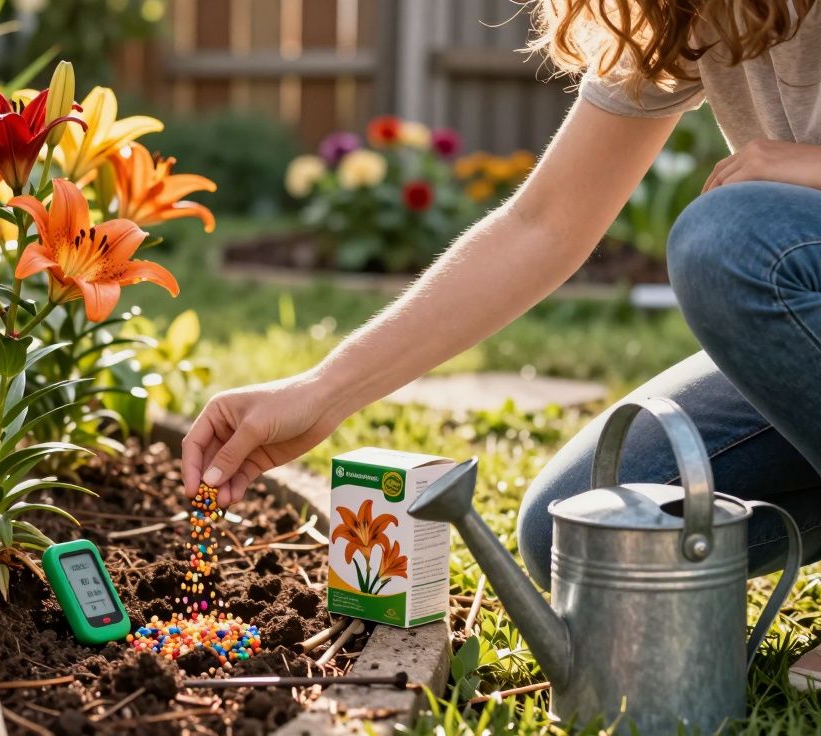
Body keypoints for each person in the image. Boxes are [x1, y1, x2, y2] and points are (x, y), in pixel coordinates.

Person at [182, 0, 821, 687]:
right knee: (580, 530)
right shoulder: (691, 11)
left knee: (732, 242)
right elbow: (544, 225)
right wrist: (320, 391)